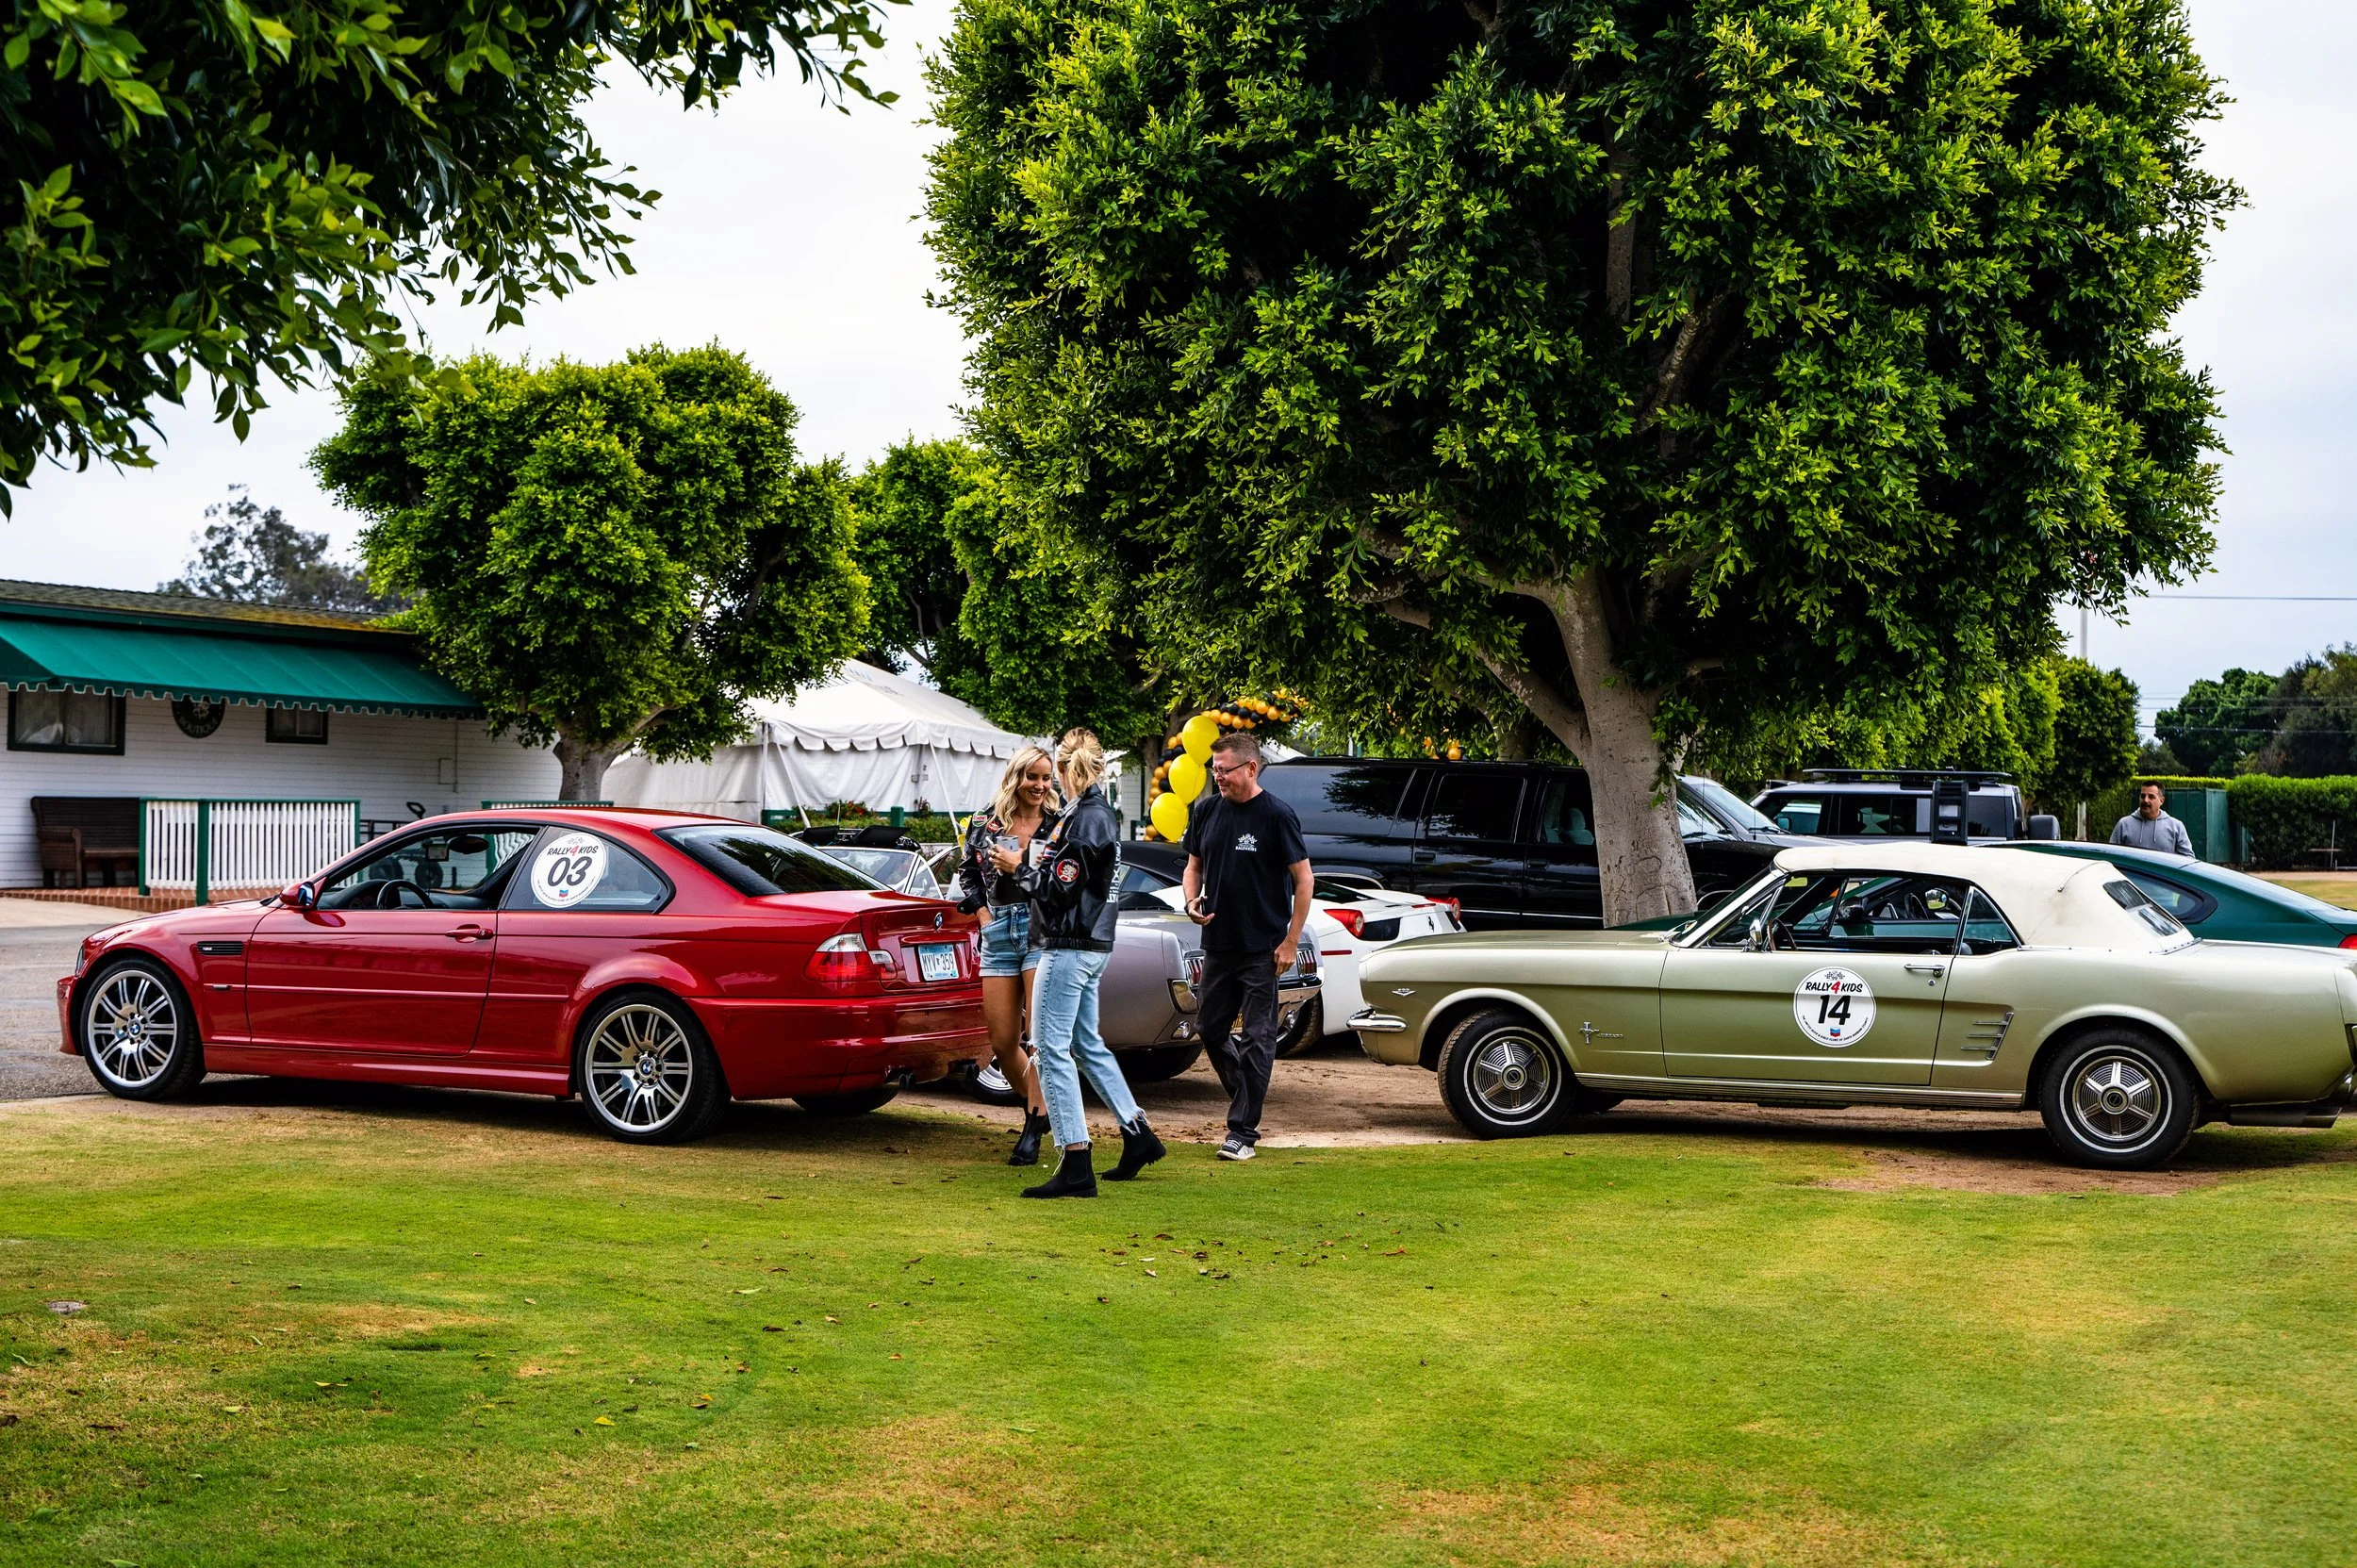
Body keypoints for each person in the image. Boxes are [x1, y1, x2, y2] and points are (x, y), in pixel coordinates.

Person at [1006, 728, 1163, 1198]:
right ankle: (1138, 1135)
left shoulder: (1084, 819)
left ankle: (1076, 1157)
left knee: (1049, 1048)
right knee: (1084, 1043)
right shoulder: (1096, 814)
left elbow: (1060, 888)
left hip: (1070, 943)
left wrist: (1019, 869)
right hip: (1093, 943)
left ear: (1064, 768)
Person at [1181, 731, 1312, 1161]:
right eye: (1213, 770)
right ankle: (1247, 1094)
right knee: (1211, 1029)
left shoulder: (1276, 815)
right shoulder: (1204, 811)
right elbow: (1193, 866)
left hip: (1263, 949)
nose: (1217, 777)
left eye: (1224, 770)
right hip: (1218, 944)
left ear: (1250, 768)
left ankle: (1242, 1133)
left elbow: (1304, 879)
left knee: (1258, 1037)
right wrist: (1190, 901)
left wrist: (1290, 940)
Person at [957, 747, 1056, 1165]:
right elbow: (967, 872)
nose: (1039, 786)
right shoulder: (985, 822)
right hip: (997, 928)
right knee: (1001, 1040)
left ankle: (1033, 1127)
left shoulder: (1060, 824)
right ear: (1015, 776)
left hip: (1041, 929)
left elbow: (1070, 880)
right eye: (1031, 776)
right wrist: (982, 915)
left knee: (1039, 1038)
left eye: (1046, 778)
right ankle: (1041, 1107)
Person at [2111, 782, 2195, 856]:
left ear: (2161, 801)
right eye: (2143, 796)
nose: (2145, 800)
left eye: (2151, 797)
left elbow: (2188, 858)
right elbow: (2111, 855)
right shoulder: (2124, 824)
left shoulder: (2176, 826)